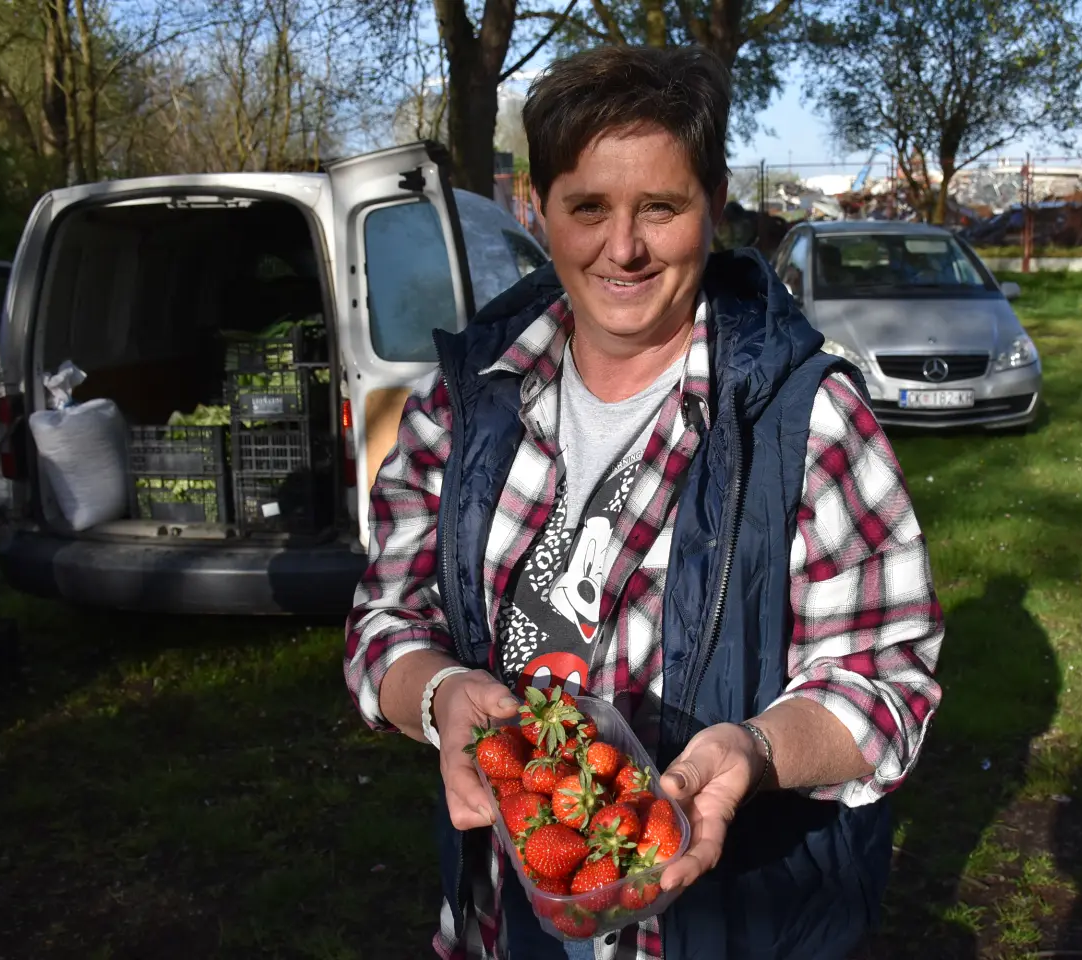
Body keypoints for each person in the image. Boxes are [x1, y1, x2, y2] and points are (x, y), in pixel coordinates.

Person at [344, 45, 945, 960]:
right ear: (537, 209)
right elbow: (386, 615)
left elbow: (888, 683)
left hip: (727, 922)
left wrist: (751, 752)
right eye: (588, 208)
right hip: (513, 910)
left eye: (659, 208)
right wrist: (438, 692)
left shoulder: (807, 421)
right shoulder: (464, 401)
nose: (622, 248)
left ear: (712, 208)